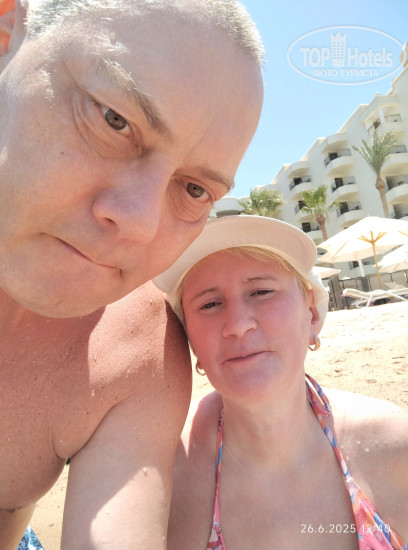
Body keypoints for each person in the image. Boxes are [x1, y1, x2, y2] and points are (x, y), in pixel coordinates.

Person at [0, 0, 264, 548]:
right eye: (113, 119)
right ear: (8, 30)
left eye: (195, 190)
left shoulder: (133, 350)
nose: (140, 223)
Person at [153, 215, 408, 550]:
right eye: (210, 304)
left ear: (311, 315)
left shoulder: (393, 444)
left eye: (261, 291)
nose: (238, 324)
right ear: (191, 340)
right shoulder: (164, 478)